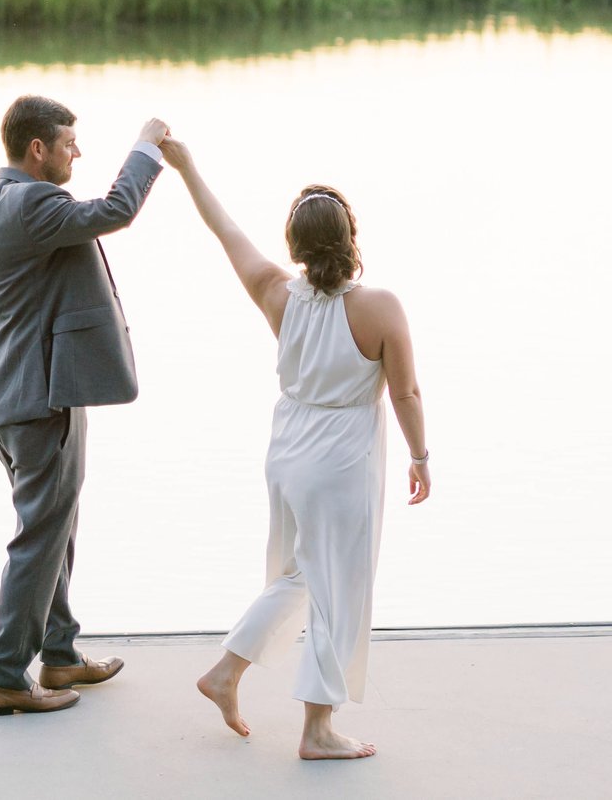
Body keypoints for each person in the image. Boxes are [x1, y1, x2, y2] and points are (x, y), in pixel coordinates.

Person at [159, 136, 431, 761]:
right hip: (340, 457)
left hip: (286, 452)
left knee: (301, 575)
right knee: (337, 586)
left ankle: (226, 672)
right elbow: (406, 392)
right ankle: (317, 730)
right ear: (350, 237)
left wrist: (188, 167)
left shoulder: (276, 292)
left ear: (295, 247)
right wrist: (420, 456)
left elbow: (223, 229)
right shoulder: (379, 306)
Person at [0, 94, 171, 717]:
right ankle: (4, 675)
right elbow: (115, 210)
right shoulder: (33, 204)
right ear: (37, 149)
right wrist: (148, 146)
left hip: (7, 396)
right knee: (39, 537)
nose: (78, 152)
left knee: (54, 528)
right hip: (38, 399)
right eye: (70, 142)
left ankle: (59, 654)